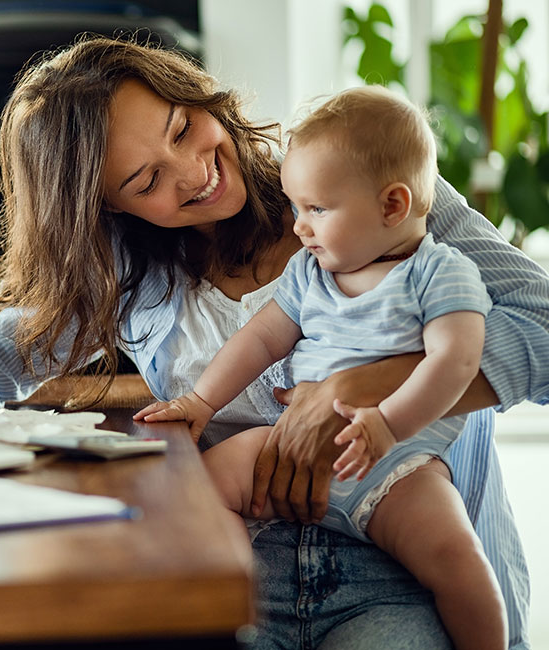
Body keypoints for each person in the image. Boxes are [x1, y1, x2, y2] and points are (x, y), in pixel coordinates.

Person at [0, 36, 548, 648]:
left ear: (200, 97)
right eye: (146, 180)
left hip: (406, 560)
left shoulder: (366, 188)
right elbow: (8, 346)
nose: (195, 173)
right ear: (107, 207)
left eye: (183, 129)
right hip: (243, 557)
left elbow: (543, 328)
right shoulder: (132, 265)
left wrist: (367, 384)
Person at [135, 85, 506, 649]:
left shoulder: (440, 274)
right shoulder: (311, 273)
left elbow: (456, 362)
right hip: (286, 445)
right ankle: (243, 594)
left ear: (392, 206)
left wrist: (389, 424)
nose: (300, 227)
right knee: (199, 484)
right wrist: (202, 401)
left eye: (317, 210)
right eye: (296, 208)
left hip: (396, 467)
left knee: (457, 557)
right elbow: (259, 340)